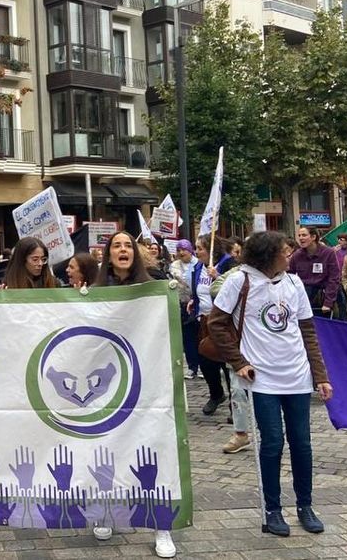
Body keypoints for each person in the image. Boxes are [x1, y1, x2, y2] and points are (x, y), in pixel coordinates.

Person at [208, 231, 332, 538]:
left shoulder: (294, 283)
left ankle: (305, 506)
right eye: (284, 252)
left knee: (302, 443)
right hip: (262, 378)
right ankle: (272, 509)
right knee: (273, 441)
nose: (289, 257)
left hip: (297, 375)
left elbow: (308, 331)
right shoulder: (239, 281)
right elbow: (216, 323)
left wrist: (320, 375)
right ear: (267, 256)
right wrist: (238, 361)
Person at [92, 229, 176, 558]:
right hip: (110, 384)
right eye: (117, 245)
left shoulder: (154, 286)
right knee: (107, 449)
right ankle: (106, 511)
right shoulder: (97, 290)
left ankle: (161, 524)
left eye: (128, 245)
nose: (123, 249)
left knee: (152, 451)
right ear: (109, 254)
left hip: (149, 380)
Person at [210, 239, 253, 454]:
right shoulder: (236, 275)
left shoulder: (279, 278)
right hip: (240, 342)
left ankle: (271, 432)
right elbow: (215, 288)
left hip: (268, 348)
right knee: (237, 390)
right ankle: (241, 433)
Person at [193, 238, 224, 415]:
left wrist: (218, 277)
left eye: (200, 248)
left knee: (225, 362)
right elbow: (198, 290)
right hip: (204, 320)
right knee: (205, 361)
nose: (196, 252)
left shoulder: (227, 264)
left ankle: (236, 404)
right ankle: (216, 394)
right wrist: (194, 301)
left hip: (222, 322)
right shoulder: (198, 267)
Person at [168, 240, 203, 379]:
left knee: (199, 336)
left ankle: (202, 366)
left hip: (197, 303)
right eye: (179, 250)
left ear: (190, 250)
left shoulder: (198, 264)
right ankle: (192, 366)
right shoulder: (174, 266)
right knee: (188, 338)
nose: (181, 253)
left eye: (184, 249)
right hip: (182, 304)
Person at [287, 227, 340, 318]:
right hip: (304, 296)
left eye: (304, 235)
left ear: (313, 237)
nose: (301, 238)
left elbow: (334, 278)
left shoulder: (328, 253)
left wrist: (328, 302)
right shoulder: (297, 255)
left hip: (324, 296)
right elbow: (289, 277)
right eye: (299, 235)